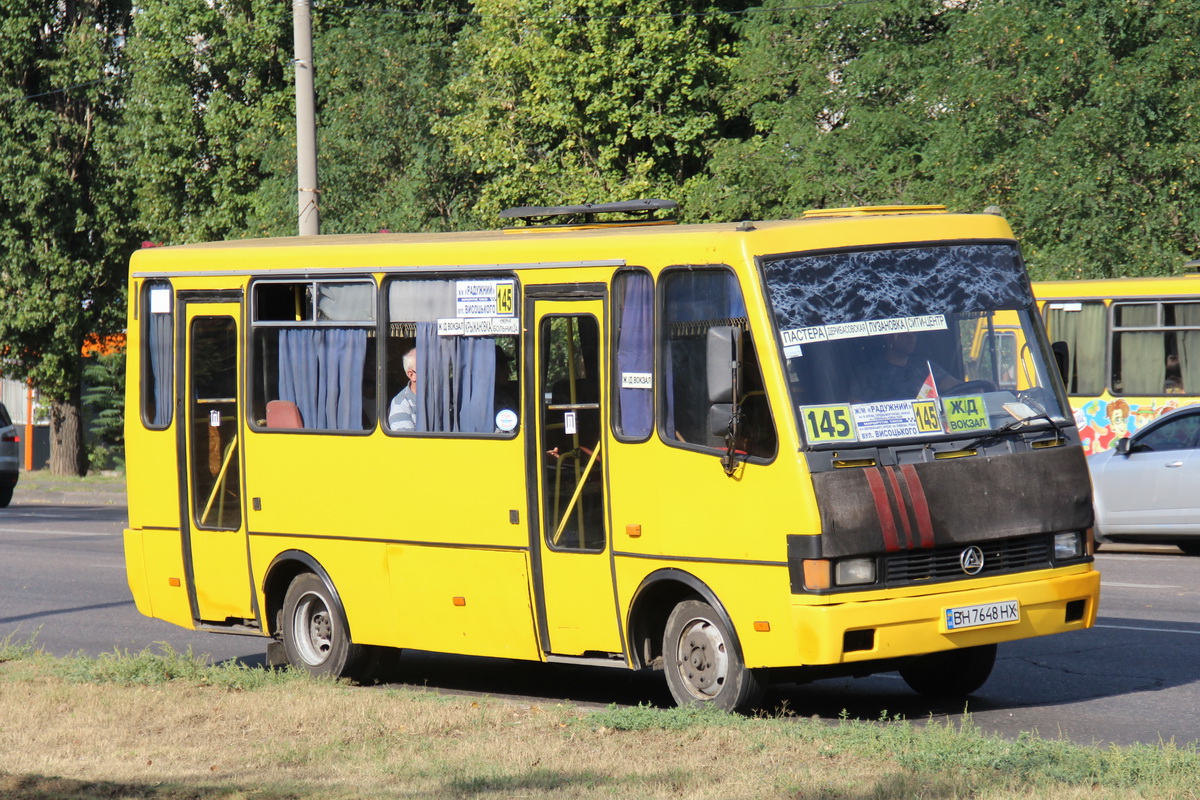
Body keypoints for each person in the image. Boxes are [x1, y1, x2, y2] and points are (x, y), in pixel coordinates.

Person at [850, 332, 962, 402]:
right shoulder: (868, 373)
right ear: (889, 337)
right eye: (905, 334)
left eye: (914, 334)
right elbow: (857, 406)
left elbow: (958, 387)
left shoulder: (924, 367)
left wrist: (976, 389)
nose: (911, 338)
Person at [388, 347, 417, 431]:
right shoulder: (400, 404)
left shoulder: (445, 397)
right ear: (412, 375)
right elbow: (408, 443)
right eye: (427, 369)